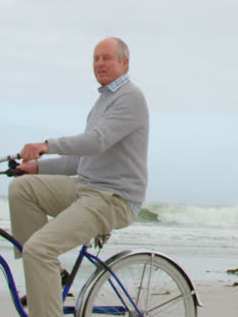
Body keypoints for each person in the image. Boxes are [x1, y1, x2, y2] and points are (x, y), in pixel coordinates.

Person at [8, 37, 150, 317]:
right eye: (96, 58)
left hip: (112, 198)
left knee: (38, 249)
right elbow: (82, 159)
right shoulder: (103, 101)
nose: (99, 64)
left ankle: (43, 269)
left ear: (125, 63)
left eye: (107, 58)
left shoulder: (131, 97)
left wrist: (46, 145)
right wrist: (36, 167)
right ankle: (51, 275)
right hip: (85, 188)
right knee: (21, 188)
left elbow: (96, 141)